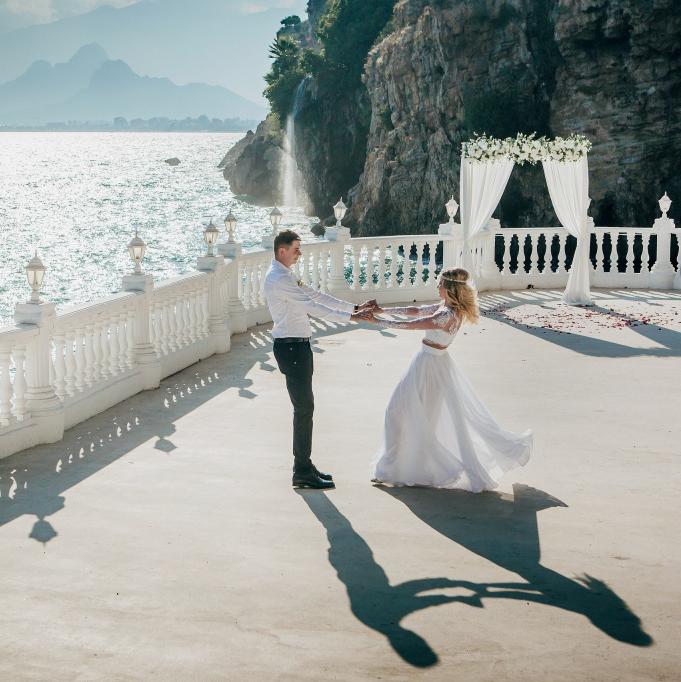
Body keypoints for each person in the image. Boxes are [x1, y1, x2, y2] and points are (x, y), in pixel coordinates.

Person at [366, 268, 532, 491]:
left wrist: (376, 321)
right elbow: (415, 310)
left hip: (429, 368)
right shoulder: (446, 308)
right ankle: (397, 467)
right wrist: (382, 310)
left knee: (400, 413)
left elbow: (414, 324)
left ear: (449, 288)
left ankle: (407, 468)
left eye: (440, 283)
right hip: (431, 363)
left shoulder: (447, 315)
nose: (437, 286)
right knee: (412, 416)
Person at [263, 229, 376, 490]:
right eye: (296, 249)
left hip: (298, 346)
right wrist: (352, 318)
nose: (300, 254)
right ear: (282, 251)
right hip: (291, 348)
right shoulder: (278, 278)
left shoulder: (286, 275)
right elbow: (312, 306)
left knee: (306, 408)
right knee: (304, 409)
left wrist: (353, 308)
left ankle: (305, 465)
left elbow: (315, 295)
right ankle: (301, 471)